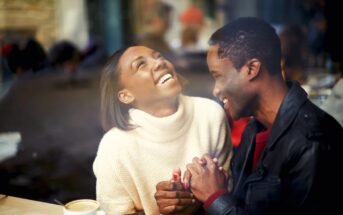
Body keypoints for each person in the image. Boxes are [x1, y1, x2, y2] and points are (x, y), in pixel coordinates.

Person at [155, 17, 343, 215]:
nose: (215, 91)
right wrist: (193, 202)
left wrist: (215, 197)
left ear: (251, 69)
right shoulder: (254, 130)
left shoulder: (314, 142)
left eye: (218, 76)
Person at [92, 45, 232, 215]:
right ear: (126, 95)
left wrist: (195, 200)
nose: (160, 63)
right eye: (141, 65)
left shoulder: (210, 114)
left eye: (158, 56)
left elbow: (229, 192)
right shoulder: (113, 147)